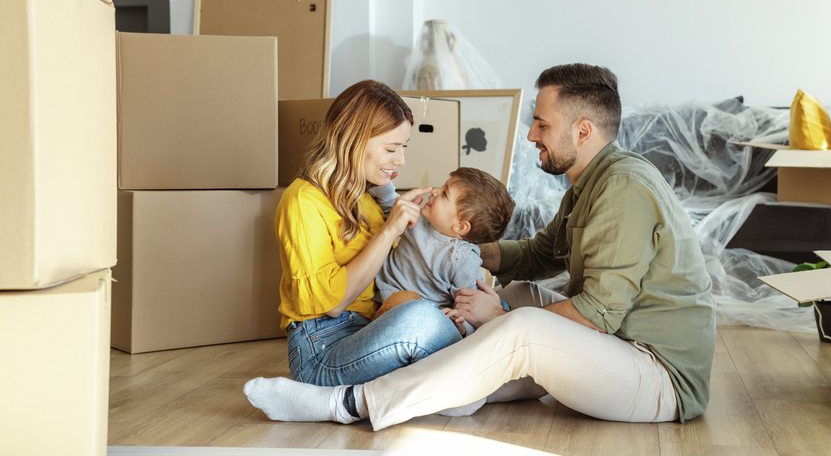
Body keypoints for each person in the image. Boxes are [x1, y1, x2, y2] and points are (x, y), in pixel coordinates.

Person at [244, 63, 716, 429]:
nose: (530, 134)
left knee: (518, 323)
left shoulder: (623, 189)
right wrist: (452, 244)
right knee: (518, 298)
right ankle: (462, 384)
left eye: (541, 124)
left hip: (655, 371)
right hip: (620, 344)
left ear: (583, 130)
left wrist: (496, 318)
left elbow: (599, 314)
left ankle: (347, 403)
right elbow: (538, 254)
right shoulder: (589, 183)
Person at [273, 80, 464, 388]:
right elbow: (332, 306)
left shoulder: (367, 197)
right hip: (321, 349)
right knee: (422, 320)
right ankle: (476, 378)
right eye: (391, 149)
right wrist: (389, 230)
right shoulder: (302, 201)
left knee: (444, 313)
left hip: (370, 328)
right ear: (353, 140)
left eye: (403, 148)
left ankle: (466, 378)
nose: (400, 160)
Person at [370, 167, 516, 338]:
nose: (434, 191)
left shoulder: (463, 260)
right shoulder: (419, 217)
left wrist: (461, 326)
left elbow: (470, 307)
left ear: (460, 226)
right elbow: (391, 204)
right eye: (442, 186)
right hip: (379, 293)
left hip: (413, 313)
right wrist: (381, 180)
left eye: (445, 193)